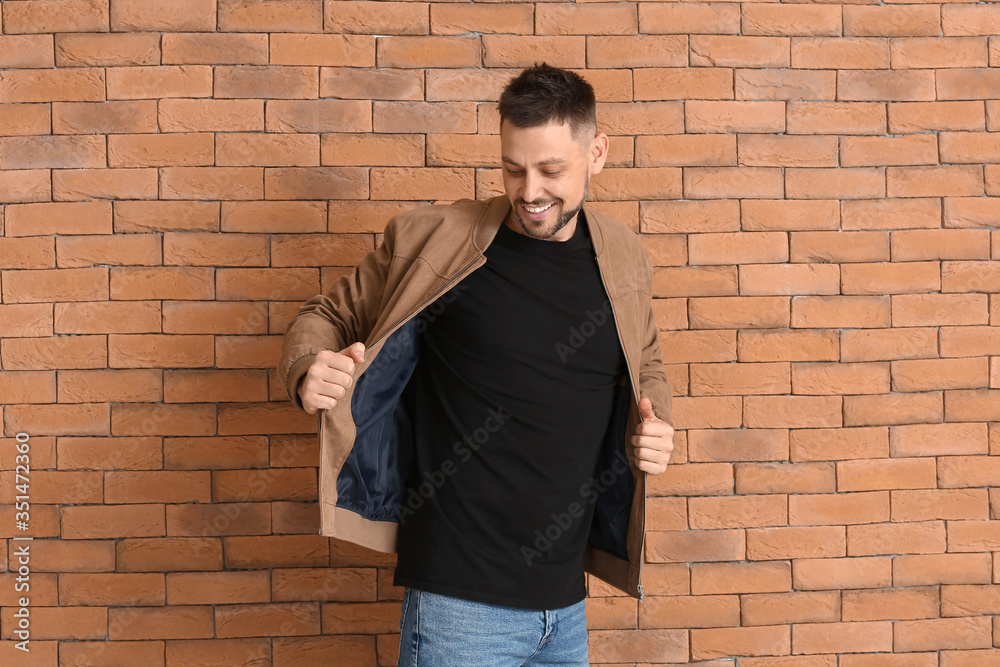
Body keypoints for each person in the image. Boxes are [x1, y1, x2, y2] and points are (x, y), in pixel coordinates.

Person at [277, 63, 676, 667]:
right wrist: (309, 368)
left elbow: (645, 366)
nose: (530, 191)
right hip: (458, 608)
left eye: (551, 170)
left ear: (597, 153)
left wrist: (657, 427)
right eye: (513, 168)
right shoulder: (433, 239)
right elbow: (325, 314)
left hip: (565, 608)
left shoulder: (623, 257)